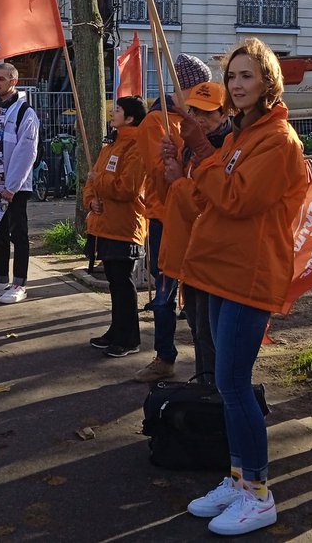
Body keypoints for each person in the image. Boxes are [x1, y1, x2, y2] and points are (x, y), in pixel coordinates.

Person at [171, 38, 307, 536]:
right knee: (228, 386)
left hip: (250, 275)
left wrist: (203, 152)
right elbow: (206, 202)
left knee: (233, 383)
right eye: (232, 76)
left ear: (268, 82)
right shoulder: (239, 139)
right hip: (221, 271)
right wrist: (192, 162)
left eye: (248, 76)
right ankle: (238, 477)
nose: (238, 85)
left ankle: (258, 491)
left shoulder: (278, 141)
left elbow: (236, 200)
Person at [134, 51, 213, 383]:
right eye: (195, 89)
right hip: (167, 218)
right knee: (165, 292)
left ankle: (206, 366)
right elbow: (157, 172)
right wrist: (179, 150)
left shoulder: (204, 117)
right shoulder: (157, 120)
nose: (198, 98)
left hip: (200, 217)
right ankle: (165, 357)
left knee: (199, 297)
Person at [153, 80, 232, 383]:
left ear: (224, 115)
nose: (199, 119)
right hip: (190, 253)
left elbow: (209, 204)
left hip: (212, 256)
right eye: (194, 111)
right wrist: (169, 163)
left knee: (210, 334)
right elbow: (167, 200)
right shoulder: (189, 146)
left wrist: (178, 181)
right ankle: (204, 387)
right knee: (199, 329)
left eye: (207, 113)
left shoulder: (227, 148)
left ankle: (213, 392)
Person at [84, 95, 148, 358]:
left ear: (131, 118)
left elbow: (128, 188)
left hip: (124, 225)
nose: (112, 113)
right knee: (114, 281)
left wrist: (99, 182)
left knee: (123, 282)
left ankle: (130, 337)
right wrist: (90, 202)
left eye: (118, 110)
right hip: (104, 224)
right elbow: (92, 179)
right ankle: (116, 330)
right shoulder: (111, 144)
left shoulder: (137, 146)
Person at [0, 62, 39, 305]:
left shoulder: (24, 112)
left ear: (13, 81)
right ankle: (0, 279)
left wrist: (12, 186)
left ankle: (19, 283)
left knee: (18, 233)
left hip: (15, 187)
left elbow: (26, 151)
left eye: (1, 79)